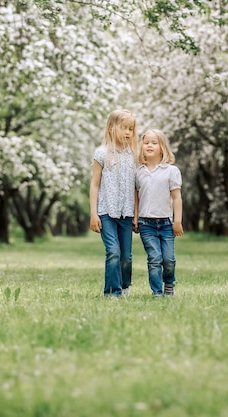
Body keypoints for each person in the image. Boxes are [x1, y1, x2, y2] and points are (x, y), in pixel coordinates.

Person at [89, 109, 138, 297]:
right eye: (124, 128)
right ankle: (112, 293)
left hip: (126, 214)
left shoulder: (133, 155)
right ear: (111, 128)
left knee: (126, 257)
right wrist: (93, 213)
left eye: (131, 129)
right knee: (113, 252)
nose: (128, 132)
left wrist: (136, 213)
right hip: (106, 212)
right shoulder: (101, 154)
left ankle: (125, 286)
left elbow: (136, 187)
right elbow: (94, 185)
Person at [134, 129, 183, 297]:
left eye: (154, 143)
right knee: (154, 259)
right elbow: (136, 198)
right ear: (141, 147)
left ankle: (169, 283)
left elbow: (176, 197)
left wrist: (177, 221)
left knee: (168, 260)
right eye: (146, 142)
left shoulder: (171, 171)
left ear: (162, 147)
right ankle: (157, 292)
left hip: (166, 223)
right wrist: (135, 218)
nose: (149, 145)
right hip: (146, 223)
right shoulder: (138, 171)